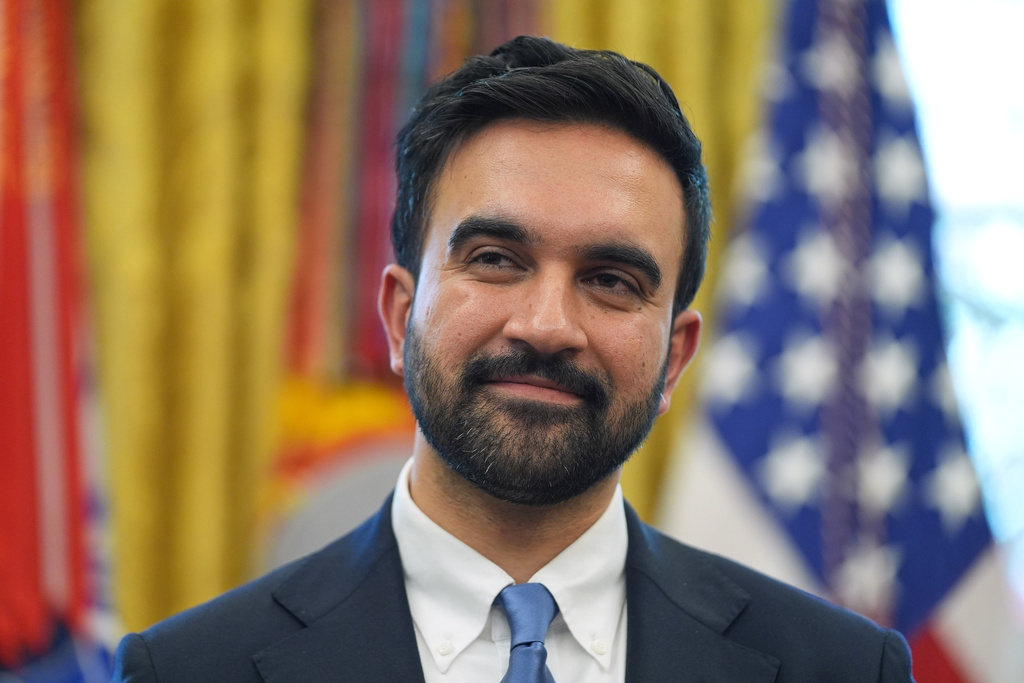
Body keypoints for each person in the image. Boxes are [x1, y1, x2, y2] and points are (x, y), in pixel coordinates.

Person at [111, 36, 914, 682]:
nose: (546, 324)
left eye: (610, 279)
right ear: (399, 318)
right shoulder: (186, 669)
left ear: (674, 359)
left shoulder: (842, 668)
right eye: (495, 258)